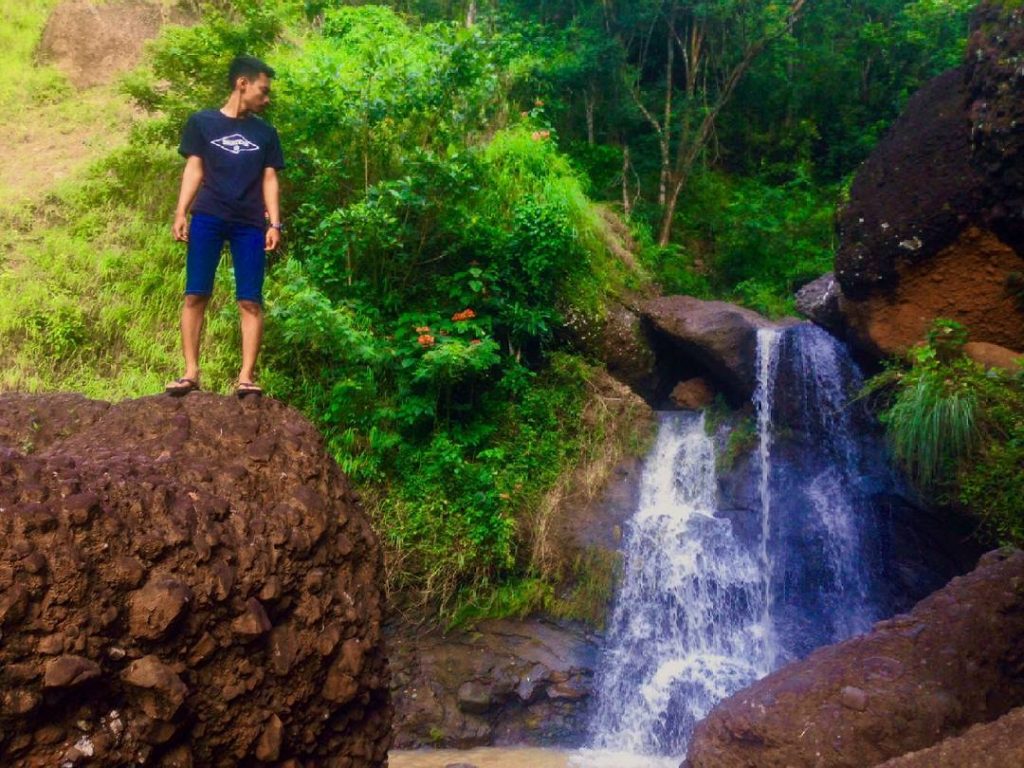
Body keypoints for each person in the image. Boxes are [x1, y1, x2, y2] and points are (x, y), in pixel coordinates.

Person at [164, 55, 285, 397]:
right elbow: (194, 169)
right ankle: (190, 372)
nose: (267, 97)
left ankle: (245, 377)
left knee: (250, 300)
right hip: (209, 216)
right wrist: (180, 212)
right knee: (195, 294)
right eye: (263, 90)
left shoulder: (265, 132)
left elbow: (270, 178)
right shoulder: (203, 123)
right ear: (241, 84)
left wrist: (274, 222)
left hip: (249, 223)